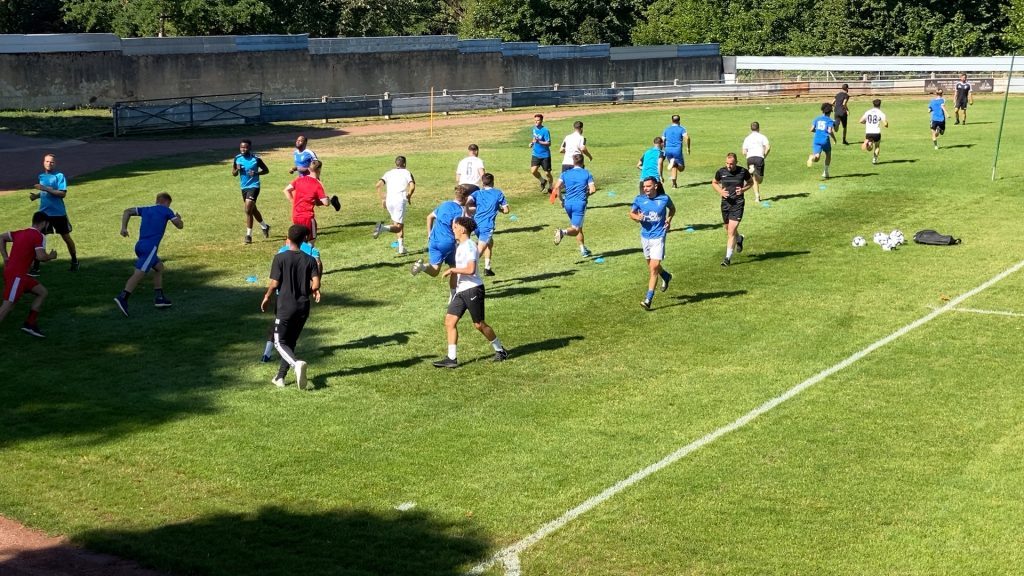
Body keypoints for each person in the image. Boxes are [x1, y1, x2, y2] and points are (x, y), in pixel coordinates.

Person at [432, 216, 509, 368]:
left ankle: (500, 350)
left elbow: (471, 270)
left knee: (479, 324)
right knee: (449, 321)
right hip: (461, 291)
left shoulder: (469, 247)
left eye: (455, 227)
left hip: (473, 289)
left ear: (462, 229)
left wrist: (452, 269)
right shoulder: (460, 246)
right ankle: (451, 358)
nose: (453, 230)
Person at [261, 224, 321, 389]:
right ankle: (280, 377)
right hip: (303, 307)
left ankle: (296, 364)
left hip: (286, 306)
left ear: (287, 239)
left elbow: (274, 283)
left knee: (279, 342)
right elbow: (316, 284)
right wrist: (313, 291)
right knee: (291, 342)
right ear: (304, 240)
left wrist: (267, 297)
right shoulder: (310, 260)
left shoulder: (280, 258)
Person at [113, 192, 184, 316]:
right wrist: (179, 218)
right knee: (139, 273)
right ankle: (123, 297)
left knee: (159, 267)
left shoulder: (146, 209)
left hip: (139, 246)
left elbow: (127, 211)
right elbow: (179, 225)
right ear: (167, 202)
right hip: (150, 249)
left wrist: (124, 228)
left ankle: (159, 297)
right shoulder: (166, 210)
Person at [0, 211, 57, 337]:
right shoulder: (39, 236)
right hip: (17, 276)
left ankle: (30, 324)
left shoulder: (20, 233)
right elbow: (41, 257)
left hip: (18, 274)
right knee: (8, 304)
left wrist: (5, 257)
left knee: (42, 292)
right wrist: (51, 256)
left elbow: (1, 237)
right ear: (44, 223)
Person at [411, 186, 469, 304]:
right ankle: (453, 296)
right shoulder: (460, 211)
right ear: (465, 198)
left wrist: (429, 234)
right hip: (447, 243)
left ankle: (421, 267)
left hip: (433, 241)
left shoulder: (444, 204)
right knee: (454, 267)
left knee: (435, 270)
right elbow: (455, 227)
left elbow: (429, 217)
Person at [630, 177, 675, 311]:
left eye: (648, 186)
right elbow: (631, 213)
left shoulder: (664, 199)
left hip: (659, 236)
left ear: (655, 186)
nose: (645, 189)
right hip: (645, 237)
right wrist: (637, 218)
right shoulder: (639, 199)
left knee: (654, 268)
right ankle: (666, 276)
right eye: (644, 186)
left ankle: (648, 299)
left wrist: (668, 219)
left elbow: (672, 209)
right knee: (651, 265)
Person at [29, 153, 78, 273]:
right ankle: (36, 266)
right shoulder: (41, 176)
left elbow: (62, 194)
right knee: (38, 238)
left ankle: (75, 261)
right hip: (44, 214)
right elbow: (47, 192)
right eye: (47, 161)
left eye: (51, 162)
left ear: (55, 164)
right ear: (43, 162)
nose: (49, 164)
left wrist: (44, 189)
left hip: (58, 213)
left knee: (66, 237)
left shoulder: (59, 176)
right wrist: (37, 196)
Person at [283, 160, 339, 245]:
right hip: (307, 217)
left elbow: (286, 190)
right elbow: (325, 203)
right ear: (319, 170)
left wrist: (294, 202)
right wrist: (328, 200)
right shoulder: (317, 184)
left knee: (295, 239)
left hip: (296, 215)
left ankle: (288, 255)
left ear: (309, 168)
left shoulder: (299, 179)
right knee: (310, 243)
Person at [551, 154, 597, 258]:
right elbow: (593, 189)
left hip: (568, 203)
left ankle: (583, 249)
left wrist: (561, 200)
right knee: (575, 229)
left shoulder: (565, 173)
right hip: (580, 204)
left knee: (578, 226)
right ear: (582, 162)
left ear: (573, 162)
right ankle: (562, 232)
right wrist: (586, 194)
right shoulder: (587, 173)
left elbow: (557, 187)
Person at [466, 172, 510, 276]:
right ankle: (466, 271)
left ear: (483, 182)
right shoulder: (498, 193)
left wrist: (468, 212)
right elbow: (506, 210)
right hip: (487, 226)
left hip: (476, 224)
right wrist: (498, 208)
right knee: (479, 251)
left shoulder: (477, 193)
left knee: (490, 243)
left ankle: (487, 267)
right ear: (493, 182)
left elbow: (466, 202)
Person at [713, 153, 752, 267]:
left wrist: (743, 189)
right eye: (727, 163)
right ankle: (739, 239)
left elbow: (751, 182)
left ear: (736, 163)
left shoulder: (743, 172)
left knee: (731, 232)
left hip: (738, 204)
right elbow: (714, 182)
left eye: (731, 164)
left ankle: (727, 258)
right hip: (725, 204)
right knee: (728, 228)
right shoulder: (721, 172)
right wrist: (720, 191)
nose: (729, 166)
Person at [373, 155, 415, 255]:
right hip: (399, 200)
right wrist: (409, 196)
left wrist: (383, 199)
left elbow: (378, 185)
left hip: (389, 200)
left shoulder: (389, 173)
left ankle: (401, 247)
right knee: (398, 227)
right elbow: (412, 186)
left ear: (396, 164)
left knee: (398, 222)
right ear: (404, 164)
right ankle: (382, 228)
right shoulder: (407, 172)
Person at [232, 139, 271, 245]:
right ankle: (265, 226)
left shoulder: (256, 159)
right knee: (253, 210)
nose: (243, 149)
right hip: (244, 187)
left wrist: (256, 173)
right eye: (241, 147)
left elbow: (266, 170)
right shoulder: (237, 158)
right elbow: (234, 173)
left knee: (248, 209)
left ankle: (248, 235)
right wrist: (237, 170)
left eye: (245, 147)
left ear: (250, 148)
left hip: (254, 186)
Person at [806, 103, 837, 179]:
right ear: (830, 112)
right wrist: (834, 139)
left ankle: (812, 157)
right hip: (825, 140)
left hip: (816, 139)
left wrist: (819, 131)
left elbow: (811, 129)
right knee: (828, 154)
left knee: (817, 158)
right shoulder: (830, 120)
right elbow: (829, 131)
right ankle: (825, 172)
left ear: (822, 111)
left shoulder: (817, 119)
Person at [742, 122, 771, 202]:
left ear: (751, 128)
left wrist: (748, 157)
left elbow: (744, 151)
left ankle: (757, 198)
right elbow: (768, 147)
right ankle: (755, 172)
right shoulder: (762, 137)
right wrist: (764, 156)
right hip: (759, 158)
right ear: (759, 128)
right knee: (760, 180)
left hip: (750, 158)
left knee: (754, 179)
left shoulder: (747, 138)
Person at [662, 115, 691, 188]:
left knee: (673, 166)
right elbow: (687, 138)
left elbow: (662, 140)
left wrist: (663, 149)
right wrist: (688, 148)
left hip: (668, 149)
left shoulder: (667, 129)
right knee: (681, 168)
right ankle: (675, 163)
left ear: (672, 121)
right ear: (679, 121)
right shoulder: (681, 129)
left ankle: (674, 184)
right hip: (677, 150)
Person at [859, 99, 889, 165]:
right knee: (877, 146)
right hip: (876, 132)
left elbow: (861, 121)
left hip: (868, 132)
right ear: (880, 105)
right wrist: (887, 124)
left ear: (873, 104)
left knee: (870, 148)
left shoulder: (868, 112)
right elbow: (885, 124)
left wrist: (867, 123)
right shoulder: (881, 113)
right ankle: (874, 159)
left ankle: (868, 143)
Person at [529, 114, 553, 192]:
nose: (536, 122)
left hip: (545, 155)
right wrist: (532, 143)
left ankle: (551, 186)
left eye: (538, 120)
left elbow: (549, 143)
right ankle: (543, 181)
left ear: (542, 121)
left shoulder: (545, 130)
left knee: (547, 173)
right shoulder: (534, 129)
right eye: (535, 120)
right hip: (535, 154)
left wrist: (539, 142)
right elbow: (535, 138)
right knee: (533, 171)